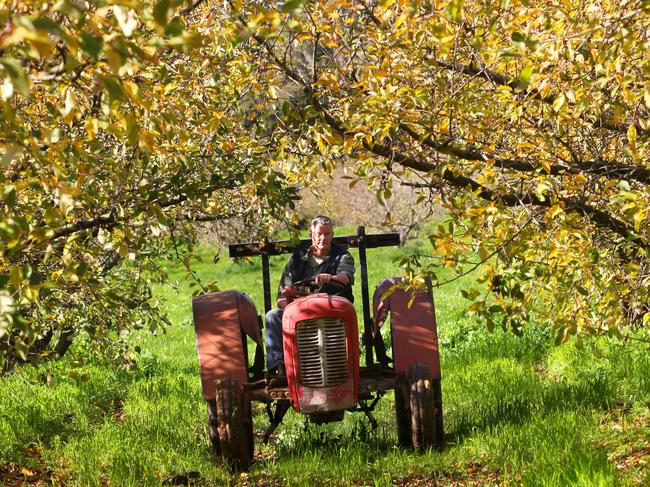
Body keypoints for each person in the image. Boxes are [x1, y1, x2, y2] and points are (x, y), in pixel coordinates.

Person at [265, 215, 355, 385]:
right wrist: (289, 294)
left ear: (332, 235)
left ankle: (344, 365)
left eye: (327, 234)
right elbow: (281, 299)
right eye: (319, 233)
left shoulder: (342, 256)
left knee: (346, 316)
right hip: (301, 311)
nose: (323, 238)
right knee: (273, 316)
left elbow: (345, 277)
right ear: (311, 234)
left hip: (331, 310)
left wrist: (332, 277)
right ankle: (279, 367)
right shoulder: (297, 259)